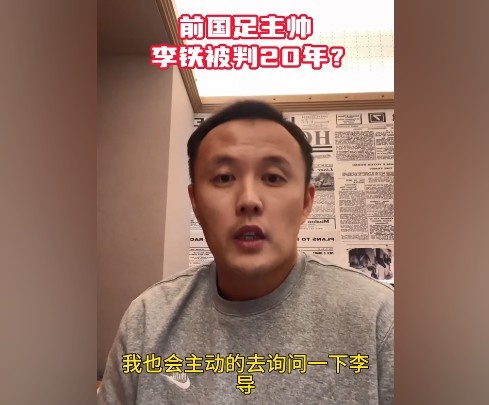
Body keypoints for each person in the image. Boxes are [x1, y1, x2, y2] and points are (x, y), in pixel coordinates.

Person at [98, 100, 394, 404]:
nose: (249, 200)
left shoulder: (379, 319)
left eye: (273, 177)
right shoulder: (148, 321)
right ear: (195, 202)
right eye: (224, 177)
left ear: (306, 202)